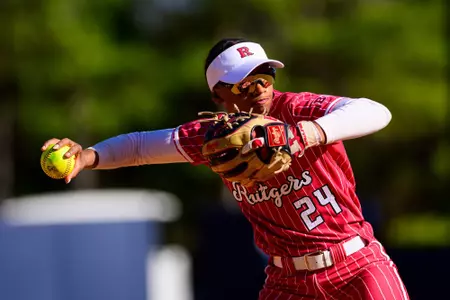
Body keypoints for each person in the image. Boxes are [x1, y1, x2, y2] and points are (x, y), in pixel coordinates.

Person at [42, 38, 409, 299]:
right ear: (220, 96)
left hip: (357, 265)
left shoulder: (296, 109)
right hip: (289, 281)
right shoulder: (213, 137)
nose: (262, 89)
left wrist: (304, 134)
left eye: (266, 76)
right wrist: (87, 156)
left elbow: (376, 111)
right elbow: (140, 146)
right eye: (247, 84)